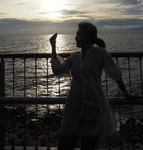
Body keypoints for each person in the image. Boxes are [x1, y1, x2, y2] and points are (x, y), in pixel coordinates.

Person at [49, 22, 132, 150]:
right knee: (66, 139)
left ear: (88, 37)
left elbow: (115, 74)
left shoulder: (100, 54)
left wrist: (126, 94)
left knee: (89, 142)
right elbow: (58, 69)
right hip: (74, 102)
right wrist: (53, 46)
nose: (75, 37)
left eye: (79, 34)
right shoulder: (75, 57)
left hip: (92, 102)